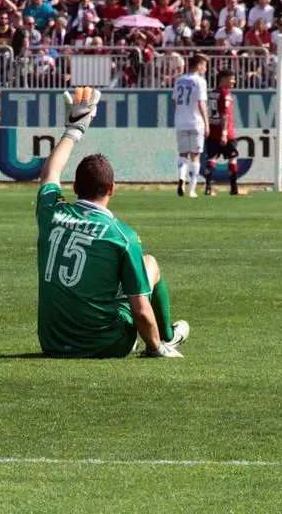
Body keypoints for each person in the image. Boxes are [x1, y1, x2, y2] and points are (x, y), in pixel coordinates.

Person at [36, 86, 188, 358]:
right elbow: (140, 310)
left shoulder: (52, 214)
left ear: (75, 187)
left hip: (52, 342)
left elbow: (50, 173)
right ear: (112, 189)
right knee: (149, 264)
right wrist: (155, 348)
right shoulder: (121, 234)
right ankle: (167, 337)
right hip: (106, 343)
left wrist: (74, 130)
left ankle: (162, 336)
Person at [172, 54, 209, 197]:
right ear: (198, 65)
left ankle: (181, 178)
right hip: (196, 122)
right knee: (195, 155)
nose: (205, 68)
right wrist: (206, 123)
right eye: (204, 65)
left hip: (180, 122)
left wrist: (179, 115)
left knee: (182, 154)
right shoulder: (200, 81)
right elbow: (201, 103)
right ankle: (192, 189)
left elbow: (174, 101)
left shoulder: (179, 80)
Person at [204, 69, 239, 196]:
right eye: (231, 78)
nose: (234, 81)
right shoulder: (226, 94)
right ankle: (234, 187)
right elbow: (224, 114)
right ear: (223, 79)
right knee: (232, 157)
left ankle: (208, 187)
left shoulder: (212, 93)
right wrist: (224, 133)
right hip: (226, 132)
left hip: (212, 131)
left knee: (211, 158)